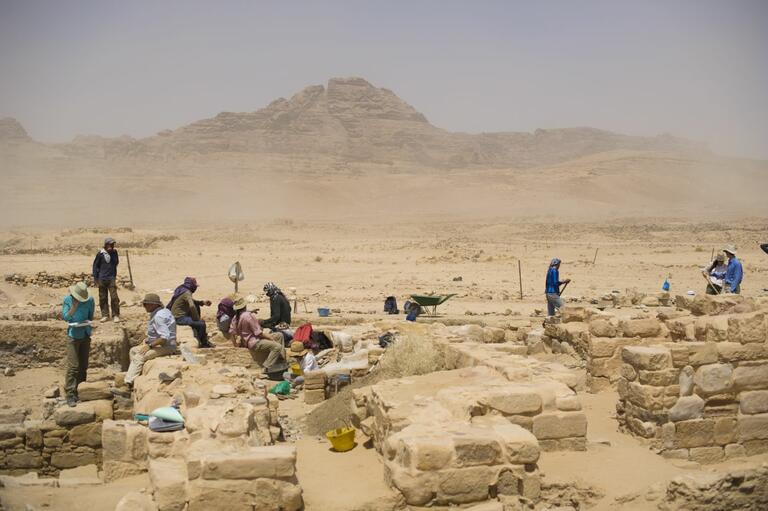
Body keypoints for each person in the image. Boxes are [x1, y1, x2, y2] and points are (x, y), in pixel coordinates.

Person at [124, 293, 177, 388]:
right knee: (133, 351)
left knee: (139, 356)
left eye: (145, 304)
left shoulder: (158, 317)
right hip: (165, 344)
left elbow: (164, 338)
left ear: (153, 305)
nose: (144, 307)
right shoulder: (163, 311)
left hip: (166, 347)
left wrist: (150, 346)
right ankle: (135, 377)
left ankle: (128, 383)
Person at [229, 297, 286, 372]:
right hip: (255, 342)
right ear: (245, 306)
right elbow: (259, 333)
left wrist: (235, 344)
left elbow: (232, 332)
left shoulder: (235, 317)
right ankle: (266, 368)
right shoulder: (249, 316)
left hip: (247, 340)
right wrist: (269, 337)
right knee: (277, 347)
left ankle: (281, 360)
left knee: (279, 335)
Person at [62, 282, 95, 407]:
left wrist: (87, 323)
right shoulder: (67, 300)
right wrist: (73, 308)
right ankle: (70, 394)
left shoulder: (90, 300)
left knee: (83, 365)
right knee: (73, 366)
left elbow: (90, 316)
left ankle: (80, 390)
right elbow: (65, 317)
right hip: (73, 336)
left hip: (85, 334)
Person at [168, 277, 214, 348]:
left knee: (197, 306)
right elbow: (192, 306)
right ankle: (204, 342)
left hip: (175, 315)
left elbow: (192, 302)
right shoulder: (187, 292)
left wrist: (202, 302)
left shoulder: (182, 290)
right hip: (179, 318)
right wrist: (197, 319)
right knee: (201, 324)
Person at [92, 237, 120, 323]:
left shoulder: (114, 253)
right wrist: (96, 278)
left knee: (114, 297)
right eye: (110, 244)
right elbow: (95, 266)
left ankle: (115, 315)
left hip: (111, 278)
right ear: (105, 244)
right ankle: (105, 315)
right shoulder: (100, 254)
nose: (111, 246)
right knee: (103, 298)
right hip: (102, 278)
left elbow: (116, 263)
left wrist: (112, 253)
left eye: (112, 244)